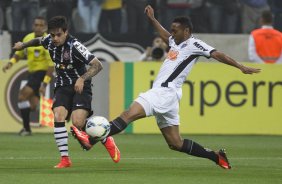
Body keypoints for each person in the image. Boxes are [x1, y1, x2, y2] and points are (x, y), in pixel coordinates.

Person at [71, 5, 261, 169]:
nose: (172, 34)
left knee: (128, 114)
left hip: (164, 93)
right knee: (175, 143)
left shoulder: (194, 44)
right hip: (169, 97)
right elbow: (164, 35)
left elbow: (218, 54)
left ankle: (91, 140)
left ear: (186, 31)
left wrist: (240, 66)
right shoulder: (176, 42)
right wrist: (153, 19)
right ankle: (216, 157)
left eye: (176, 30)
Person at [12, 16, 120, 168]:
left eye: (58, 35)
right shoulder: (48, 41)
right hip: (63, 85)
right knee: (58, 115)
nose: (55, 38)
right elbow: (37, 41)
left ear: (66, 32)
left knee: (77, 122)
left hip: (80, 85)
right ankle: (65, 159)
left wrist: (82, 78)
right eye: (52, 35)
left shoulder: (75, 46)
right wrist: (22, 45)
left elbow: (97, 65)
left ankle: (105, 138)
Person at [2, 16, 53, 136]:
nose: (38, 27)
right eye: (36, 25)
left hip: (41, 73)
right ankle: (29, 121)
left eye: (41, 25)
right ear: (33, 26)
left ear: (45, 27)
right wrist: (10, 63)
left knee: (21, 97)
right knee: (33, 105)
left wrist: (44, 84)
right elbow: (19, 53)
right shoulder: (28, 38)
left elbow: (51, 66)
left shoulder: (48, 41)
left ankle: (26, 129)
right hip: (32, 73)